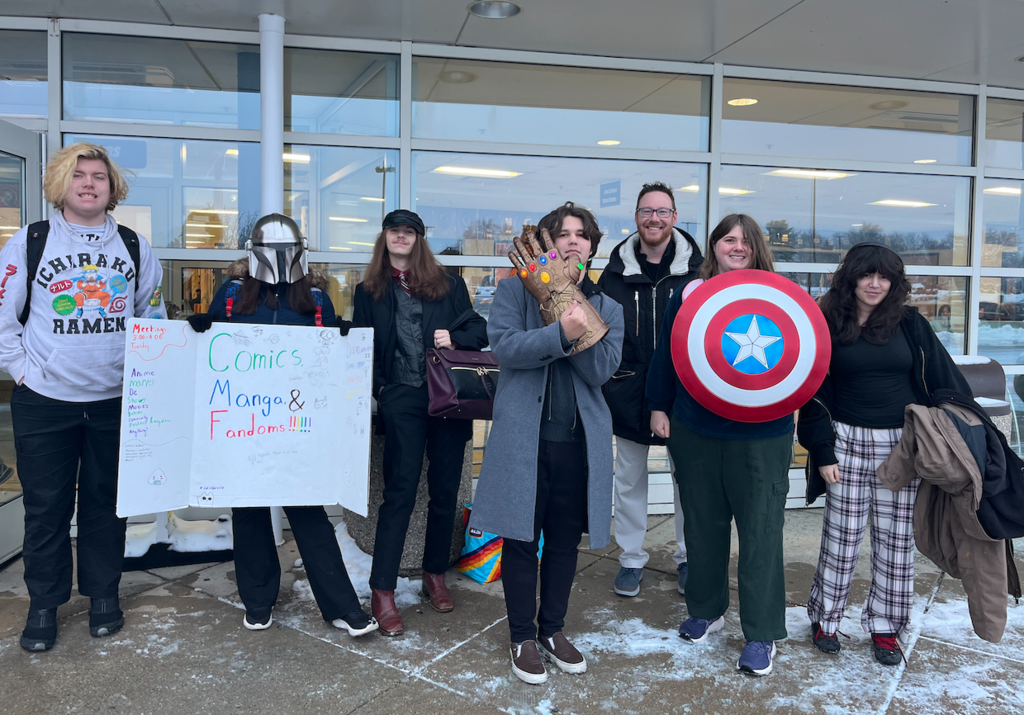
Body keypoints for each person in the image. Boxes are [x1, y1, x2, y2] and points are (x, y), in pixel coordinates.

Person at [0, 142, 167, 651]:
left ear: (112, 187)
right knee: (46, 507)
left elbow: (151, 320)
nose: (90, 184)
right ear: (60, 185)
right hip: (45, 400)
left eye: (99, 176)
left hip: (114, 402)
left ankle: (102, 596)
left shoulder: (135, 247)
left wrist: (143, 378)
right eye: (79, 176)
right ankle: (44, 606)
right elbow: (5, 321)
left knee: (105, 504)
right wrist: (25, 372)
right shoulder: (30, 242)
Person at [187, 213, 377, 637]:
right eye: (269, 250)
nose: (277, 259)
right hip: (244, 425)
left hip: (296, 429)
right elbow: (214, 352)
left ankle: (341, 605)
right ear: (253, 253)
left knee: (310, 518)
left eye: (285, 251)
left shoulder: (315, 299)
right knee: (250, 515)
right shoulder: (234, 296)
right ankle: (257, 601)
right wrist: (202, 330)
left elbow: (325, 358)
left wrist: (342, 340)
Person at [470, 203, 624, 685]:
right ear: (547, 243)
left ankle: (552, 630)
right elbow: (506, 349)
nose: (573, 241)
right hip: (524, 441)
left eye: (582, 235)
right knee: (520, 540)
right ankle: (522, 636)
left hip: (577, 445)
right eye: (563, 234)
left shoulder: (609, 306)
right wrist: (561, 330)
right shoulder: (515, 290)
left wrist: (573, 314)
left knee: (562, 542)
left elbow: (601, 370)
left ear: (593, 246)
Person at [797, 243, 971, 665]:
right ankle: (826, 618)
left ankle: (886, 627)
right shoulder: (827, 322)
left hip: (902, 447)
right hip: (845, 444)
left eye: (884, 276)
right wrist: (822, 450)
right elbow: (813, 391)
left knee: (896, 542)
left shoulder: (910, 323)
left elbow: (946, 382)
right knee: (841, 539)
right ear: (851, 278)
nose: (874, 284)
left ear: (894, 282)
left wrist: (957, 436)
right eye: (866, 275)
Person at [646, 214, 791, 677]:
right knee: (703, 525)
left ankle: (762, 631)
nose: (737, 247)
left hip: (763, 434)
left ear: (757, 248)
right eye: (729, 239)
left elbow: (801, 359)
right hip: (697, 429)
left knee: (761, 532)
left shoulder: (780, 295)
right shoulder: (688, 292)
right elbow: (666, 353)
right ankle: (705, 608)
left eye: (746, 241)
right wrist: (658, 405)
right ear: (714, 245)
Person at [353, 209, 488, 637]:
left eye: (408, 231)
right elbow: (362, 345)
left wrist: (455, 337)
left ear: (419, 239)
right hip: (403, 399)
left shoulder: (449, 285)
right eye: (394, 231)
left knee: (444, 492)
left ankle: (434, 575)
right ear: (385, 238)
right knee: (400, 493)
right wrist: (380, 391)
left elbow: (479, 330)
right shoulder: (368, 290)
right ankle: (383, 590)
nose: (400, 237)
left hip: (448, 398)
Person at [598, 181, 703, 598]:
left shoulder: (697, 272)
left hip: (683, 392)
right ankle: (630, 558)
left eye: (662, 211)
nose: (654, 218)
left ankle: (687, 558)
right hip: (627, 389)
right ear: (637, 218)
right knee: (629, 479)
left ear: (674, 218)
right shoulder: (615, 271)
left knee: (687, 480)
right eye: (646, 211)